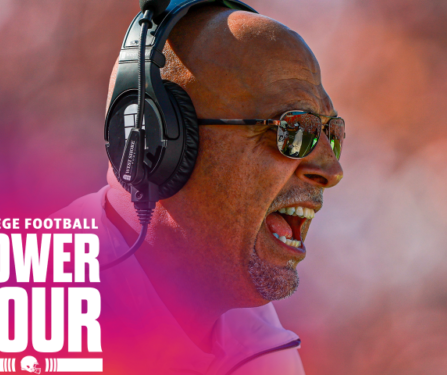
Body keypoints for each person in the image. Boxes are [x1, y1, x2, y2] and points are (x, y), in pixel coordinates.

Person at [55, 5, 343, 374]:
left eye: (332, 135)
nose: (331, 170)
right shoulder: (24, 320)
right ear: (154, 144)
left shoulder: (266, 347)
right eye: (293, 131)